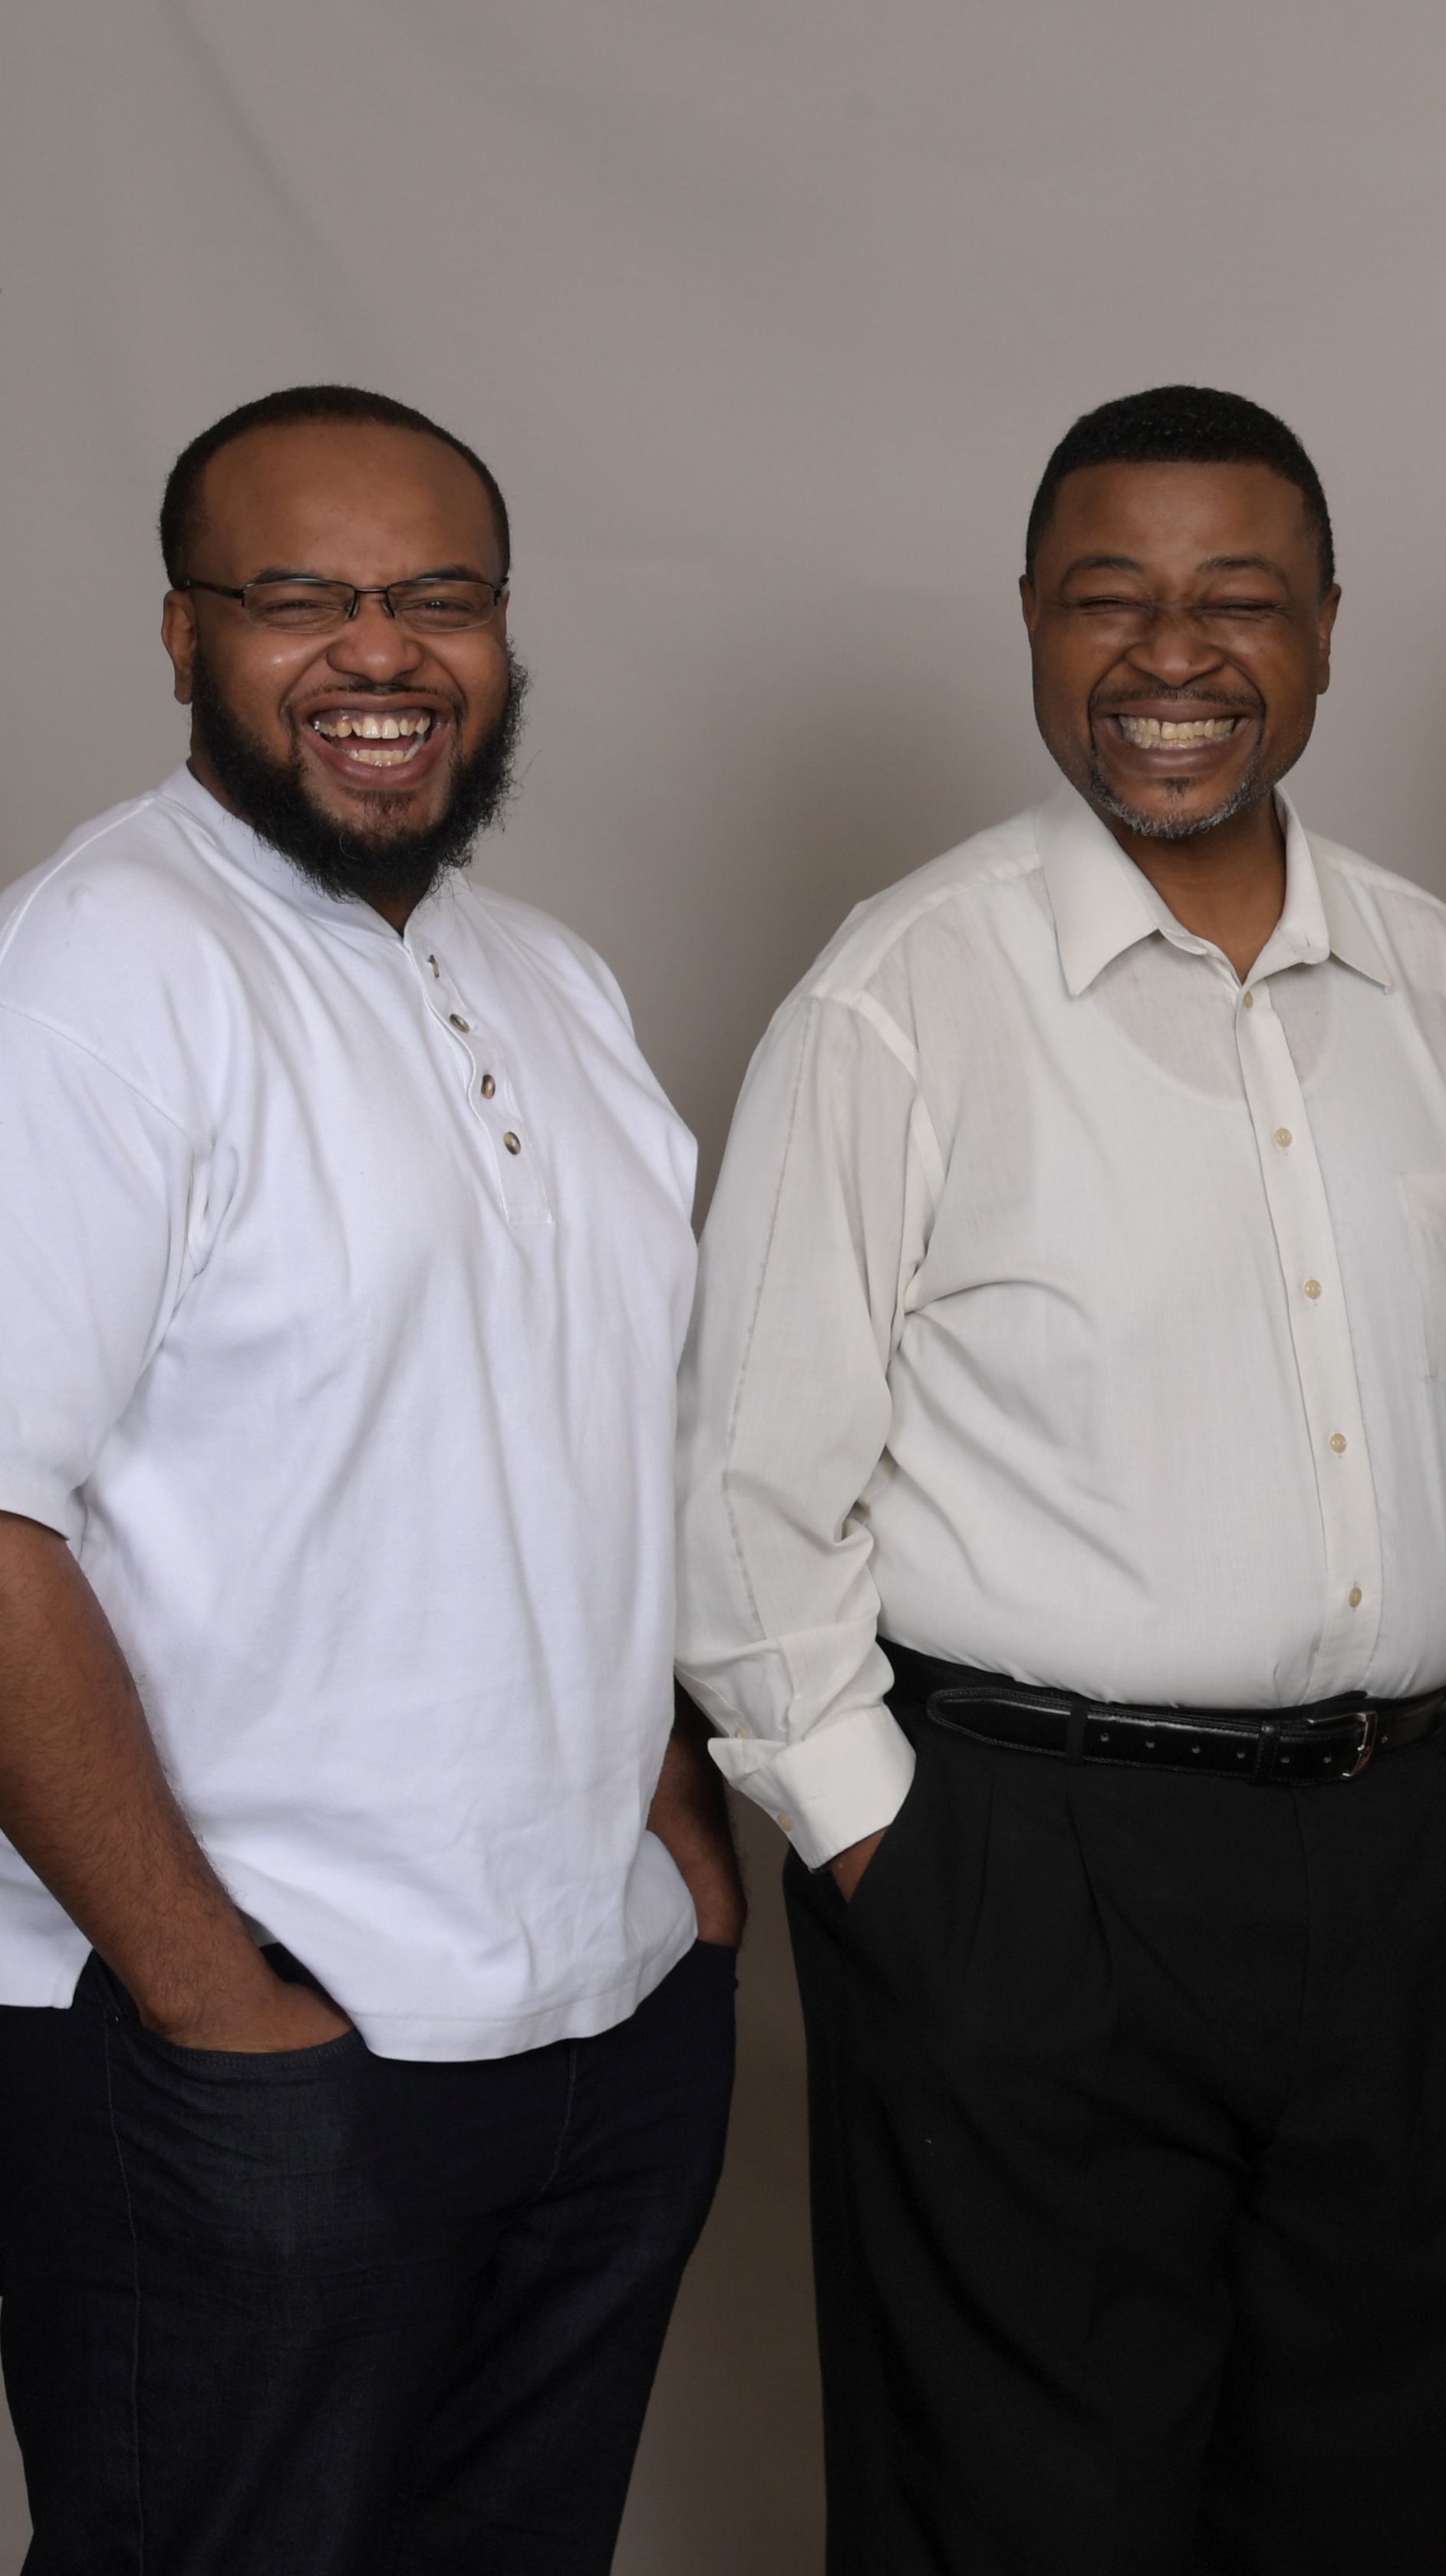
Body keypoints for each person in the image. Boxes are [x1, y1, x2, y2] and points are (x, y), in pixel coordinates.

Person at [676, 384, 1446, 2574]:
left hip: (1427, 1864)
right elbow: (747, 1494)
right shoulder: (902, 994)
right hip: (1031, 1870)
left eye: (1238, 598)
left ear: (1330, 628)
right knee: (1024, 2526)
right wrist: (895, 1864)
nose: (1173, 654)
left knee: (1387, 2514)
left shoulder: (1442, 975)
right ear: (1029, 623)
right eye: (1110, 599)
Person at [0, 386, 739, 2574]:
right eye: (299, 597)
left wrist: (679, 1866)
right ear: (181, 633)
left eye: (439, 596)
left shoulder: (555, 983)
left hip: (596, 2026)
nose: (381, 651)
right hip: (244, 2055)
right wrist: (217, 2008)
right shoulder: (98, 971)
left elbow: (596, 1461)